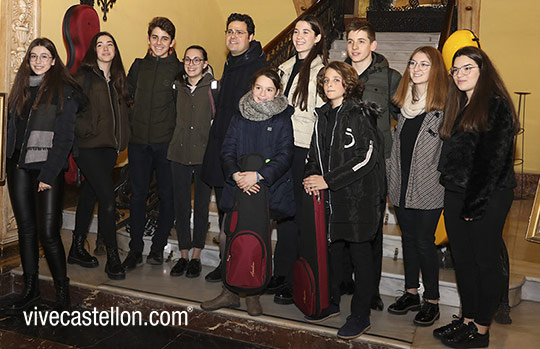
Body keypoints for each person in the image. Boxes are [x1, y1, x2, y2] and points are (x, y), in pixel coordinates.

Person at [435, 46, 519, 348]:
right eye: (455, 70)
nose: (459, 74)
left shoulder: (496, 105)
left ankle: (482, 330)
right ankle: (468, 320)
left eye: (467, 68)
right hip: (457, 193)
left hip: (488, 195)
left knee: (485, 262)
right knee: (464, 261)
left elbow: (492, 161)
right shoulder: (460, 105)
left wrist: (474, 202)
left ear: (483, 72)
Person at [201, 67, 294, 316]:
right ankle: (229, 292)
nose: (262, 94)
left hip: (266, 189)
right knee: (228, 237)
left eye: (269, 89)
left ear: (277, 93)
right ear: (251, 87)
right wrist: (236, 174)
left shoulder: (282, 118)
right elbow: (227, 149)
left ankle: (254, 292)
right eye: (258, 88)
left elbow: (286, 154)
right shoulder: (239, 115)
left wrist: (259, 175)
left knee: (258, 241)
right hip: (237, 185)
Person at [303, 61, 385, 339]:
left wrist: (329, 180)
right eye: (325, 80)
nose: (329, 85)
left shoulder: (358, 113)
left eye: (335, 80)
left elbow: (366, 156)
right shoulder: (323, 115)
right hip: (331, 200)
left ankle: (360, 315)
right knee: (334, 253)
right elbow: (314, 154)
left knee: (361, 257)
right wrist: (311, 175)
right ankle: (331, 303)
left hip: (358, 199)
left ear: (348, 84)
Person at [5, 37, 83, 311]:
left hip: (47, 168)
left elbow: (64, 139)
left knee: (48, 232)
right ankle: (31, 289)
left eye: (44, 57)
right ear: (29, 60)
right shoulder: (20, 89)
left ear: (53, 61)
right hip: (18, 167)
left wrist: (49, 175)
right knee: (27, 231)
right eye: (34, 56)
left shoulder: (64, 91)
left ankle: (63, 293)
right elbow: (10, 131)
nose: (38, 61)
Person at [264, 15, 327, 305]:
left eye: (307, 32)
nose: (299, 36)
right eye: (296, 31)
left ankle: (297, 279)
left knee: (302, 218)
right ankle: (281, 273)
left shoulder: (322, 71)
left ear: (317, 38)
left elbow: (322, 119)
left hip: (304, 149)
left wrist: (315, 158)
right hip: (282, 147)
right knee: (284, 213)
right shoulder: (285, 68)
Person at [201, 13, 267, 282]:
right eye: (230, 31)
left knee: (237, 215)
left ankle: (239, 265)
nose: (233, 36)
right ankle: (225, 262)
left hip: (241, 153)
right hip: (221, 147)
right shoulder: (231, 63)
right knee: (225, 211)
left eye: (239, 32)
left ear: (250, 37)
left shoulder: (257, 68)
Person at [385, 46, 448, 326]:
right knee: (408, 240)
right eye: (413, 63)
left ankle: (432, 300)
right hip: (400, 185)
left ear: (435, 71)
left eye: (424, 64)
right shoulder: (403, 107)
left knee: (424, 243)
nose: (417, 68)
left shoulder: (443, 109)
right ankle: (411, 293)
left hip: (429, 188)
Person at [344, 20, 401, 310]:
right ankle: (345, 281)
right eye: (350, 41)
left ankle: (371, 290)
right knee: (343, 226)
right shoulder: (338, 75)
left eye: (361, 41)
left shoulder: (390, 77)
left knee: (372, 232)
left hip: (375, 167)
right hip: (342, 164)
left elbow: (407, 115)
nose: (355, 47)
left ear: (373, 45)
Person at [69, 32, 130, 281]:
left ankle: (76, 248)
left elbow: (123, 113)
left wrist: (123, 139)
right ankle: (113, 257)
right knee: (107, 198)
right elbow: (68, 111)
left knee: (89, 195)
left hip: (109, 150)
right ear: (93, 50)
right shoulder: (83, 77)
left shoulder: (117, 79)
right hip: (87, 148)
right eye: (100, 44)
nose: (105, 48)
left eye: (110, 44)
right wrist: (86, 130)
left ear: (115, 50)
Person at [122, 17, 181, 271]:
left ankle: (157, 247)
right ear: (148, 40)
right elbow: (125, 98)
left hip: (166, 143)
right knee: (137, 196)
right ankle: (135, 249)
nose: (159, 43)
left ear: (172, 42)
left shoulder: (179, 69)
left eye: (164, 39)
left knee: (167, 196)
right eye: (155, 37)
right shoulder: (137, 67)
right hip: (138, 144)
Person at [167, 45, 217, 278]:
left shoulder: (213, 88)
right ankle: (183, 253)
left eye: (197, 60)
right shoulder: (177, 87)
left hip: (204, 156)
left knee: (201, 207)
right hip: (178, 154)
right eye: (188, 59)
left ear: (205, 63)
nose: (192, 63)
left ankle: (197, 254)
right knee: (181, 206)